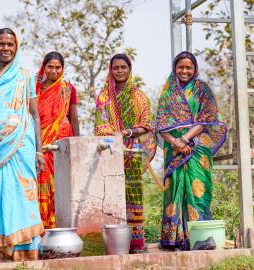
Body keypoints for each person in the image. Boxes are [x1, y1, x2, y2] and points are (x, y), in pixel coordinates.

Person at [0, 28, 45, 262]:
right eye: (1, 44)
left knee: (22, 196)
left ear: (16, 47)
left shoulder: (25, 75)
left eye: (10, 44)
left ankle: (24, 252)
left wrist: (39, 150)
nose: (6, 48)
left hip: (21, 146)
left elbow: (34, 115)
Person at [155, 51, 227, 251]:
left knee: (197, 190)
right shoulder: (168, 91)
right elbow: (160, 123)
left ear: (195, 69)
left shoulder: (202, 89)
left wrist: (185, 139)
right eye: (181, 67)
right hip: (174, 149)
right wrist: (175, 142)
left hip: (197, 148)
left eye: (189, 67)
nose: (184, 71)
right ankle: (176, 239)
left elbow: (206, 118)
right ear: (175, 68)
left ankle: (200, 238)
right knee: (175, 189)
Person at [94, 53, 156, 254]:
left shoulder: (139, 97)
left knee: (133, 197)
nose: (119, 71)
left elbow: (146, 125)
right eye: (115, 68)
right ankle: (112, 244)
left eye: (123, 67)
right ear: (110, 70)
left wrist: (127, 132)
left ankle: (136, 243)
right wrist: (114, 136)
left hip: (133, 154)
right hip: (111, 152)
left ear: (130, 70)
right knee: (110, 197)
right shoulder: (104, 97)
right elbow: (100, 125)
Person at [35, 51, 80, 229]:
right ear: (44, 67)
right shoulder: (34, 89)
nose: (54, 71)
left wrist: (76, 145)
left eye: (58, 67)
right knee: (41, 183)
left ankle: (60, 227)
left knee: (62, 185)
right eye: (50, 67)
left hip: (62, 144)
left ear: (63, 68)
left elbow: (74, 118)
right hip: (41, 145)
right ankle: (41, 228)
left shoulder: (68, 89)